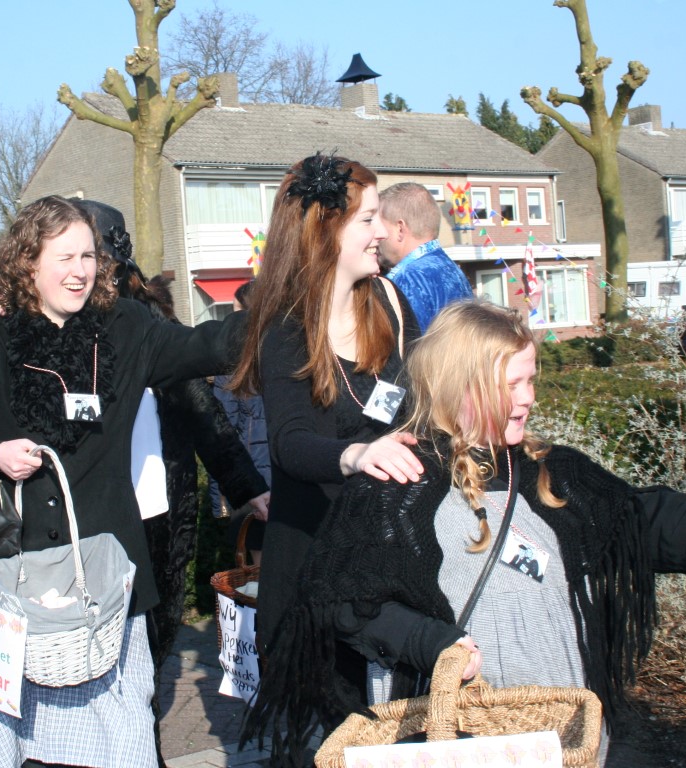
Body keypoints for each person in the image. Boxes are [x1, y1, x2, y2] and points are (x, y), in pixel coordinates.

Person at [245, 300, 686, 767]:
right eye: (512, 383)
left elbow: (650, 522)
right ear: (461, 385)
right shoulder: (402, 483)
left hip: (562, 737)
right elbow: (342, 600)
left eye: (531, 379)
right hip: (458, 737)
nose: (529, 396)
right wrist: (432, 644)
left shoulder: (552, 474)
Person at [0, 195, 247, 768]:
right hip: (2, 579)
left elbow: (205, 346)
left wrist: (291, 302)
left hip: (101, 582)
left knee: (115, 743)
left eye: (88, 256)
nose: (80, 271)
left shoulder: (125, 327)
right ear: (28, 261)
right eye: (64, 257)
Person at [79, 199, 269, 766]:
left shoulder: (146, 323)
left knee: (154, 637)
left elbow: (200, 407)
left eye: (94, 258)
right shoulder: (49, 326)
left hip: (160, 509)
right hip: (85, 511)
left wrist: (245, 485)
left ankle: (145, 748)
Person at [229, 153, 423, 660]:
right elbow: (289, 443)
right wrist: (357, 455)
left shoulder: (388, 301)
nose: (383, 231)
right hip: (313, 570)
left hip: (388, 559)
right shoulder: (285, 326)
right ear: (325, 231)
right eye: (368, 219)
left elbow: (425, 399)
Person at [210, 280, 271, 565]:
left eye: (236, 312)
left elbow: (220, 431)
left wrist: (219, 499)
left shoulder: (233, 364)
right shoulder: (293, 354)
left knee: (259, 570)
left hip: (253, 481)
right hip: (291, 478)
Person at [377, 182, 473, 331]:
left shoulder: (406, 279)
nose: (376, 235)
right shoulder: (453, 270)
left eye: (380, 226)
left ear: (400, 229)